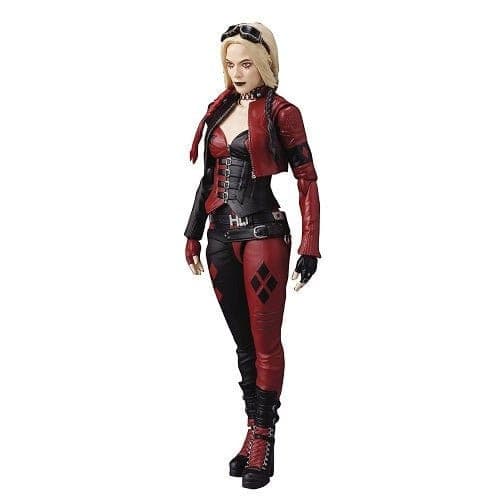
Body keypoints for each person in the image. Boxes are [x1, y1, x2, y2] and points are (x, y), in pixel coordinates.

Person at [184, 22, 321, 489]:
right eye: (230, 63)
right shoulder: (220, 108)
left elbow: (307, 179)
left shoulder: (282, 112)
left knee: (265, 342)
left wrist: (310, 245)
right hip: (220, 239)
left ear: (264, 62)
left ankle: (264, 436)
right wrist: (192, 233)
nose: (237, 72)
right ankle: (251, 430)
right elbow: (209, 177)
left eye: (246, 63)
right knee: (243, 343)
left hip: (263, 235)